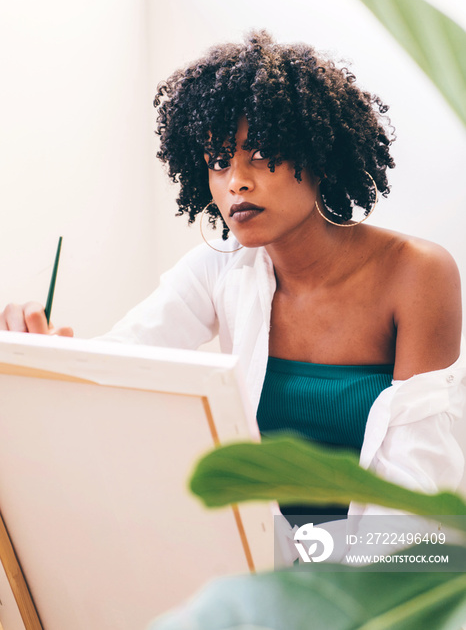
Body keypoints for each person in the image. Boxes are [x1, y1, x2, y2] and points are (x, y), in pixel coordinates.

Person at [1, 31, 464, 536]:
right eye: (219, 162)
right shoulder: (219, 269)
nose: (235, 182)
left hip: (382, 569)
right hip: (257, 554)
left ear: (318, 153)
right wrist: (42, 358)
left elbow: (422, 474)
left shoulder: (416, 273)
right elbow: (115, 366)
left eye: (259, 152)